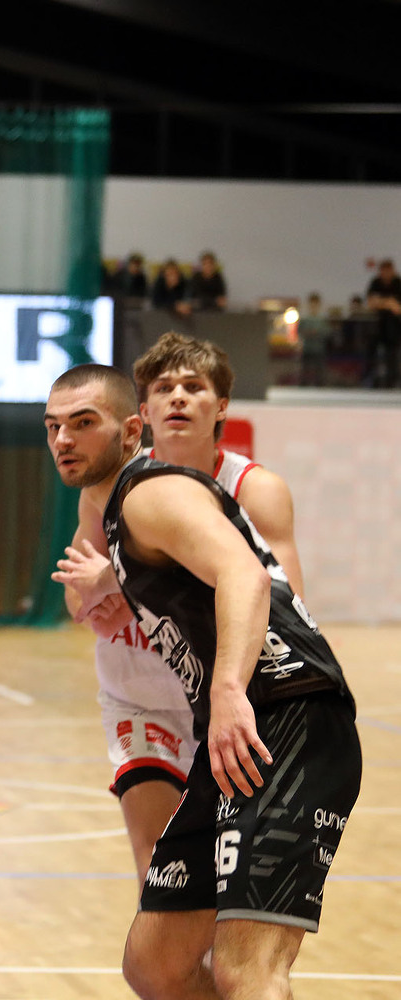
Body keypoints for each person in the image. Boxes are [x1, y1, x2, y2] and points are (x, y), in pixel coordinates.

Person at [45, 363, 360, 1000]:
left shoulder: (148, 493)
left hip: (289, 714)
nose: (64, 440)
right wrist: (108, 583)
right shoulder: (111, 511)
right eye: (53, 427)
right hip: (234, 735)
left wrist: (226, 690)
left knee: (246, 968)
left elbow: (245, 574)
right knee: (155, 965)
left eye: (83, 423)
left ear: (130, 431)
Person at [62, 332, 307, 885]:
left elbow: (285, 602)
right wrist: (93, 597)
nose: (177, 397)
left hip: (227, 697)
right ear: (143, 413)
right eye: (163, 388)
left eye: (194, 387)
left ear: (220, 407)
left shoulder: (256, 490)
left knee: (229, 880)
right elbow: (76, 597)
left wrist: (125, 582)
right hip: (140, 698)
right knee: (161, 870)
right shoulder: (106, 488)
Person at [364, 257, 401, 387]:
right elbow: (371, 303)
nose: (386, 273)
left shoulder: (398, 283)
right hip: (377, 325)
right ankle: (371, 380)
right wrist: (388, 303)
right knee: (372, 353)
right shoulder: (376, 282)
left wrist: (381, 302)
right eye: (383, 271)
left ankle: (393, 382)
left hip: (394, 327)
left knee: (392, 355)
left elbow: (398, 308)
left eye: (388, 271)